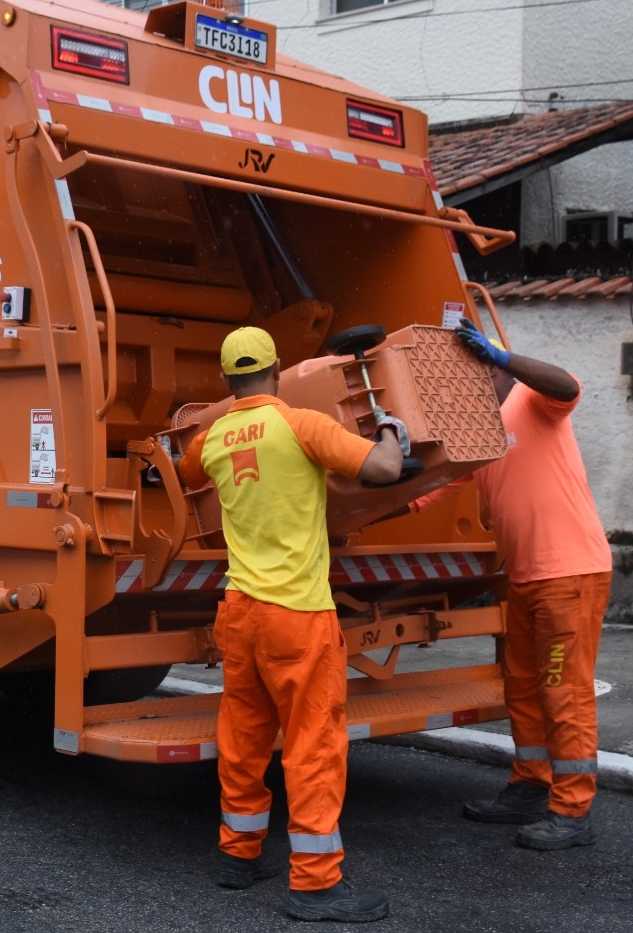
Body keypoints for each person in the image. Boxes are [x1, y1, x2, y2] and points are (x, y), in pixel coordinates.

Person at [177, 326, 402, 923]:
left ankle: (238, 855)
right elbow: (382, 470)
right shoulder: (303, 425)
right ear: (278, 370)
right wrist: (389, 428)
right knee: (312, 747)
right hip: (297, 615)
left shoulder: (213, 438)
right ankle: (315, 884)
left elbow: (182, 471)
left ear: (227, 380)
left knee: (244, 737)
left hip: (239, 611)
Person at [431, 317, 613, 850]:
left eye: (474, 371)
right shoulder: (482, 432)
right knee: (525, 687)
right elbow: (429, 486)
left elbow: (568, 386)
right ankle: (531, 787)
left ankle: (572, 809)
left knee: (564, 691)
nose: (467, 383)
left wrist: (504, 358)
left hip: (569, 572)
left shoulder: (534, 401)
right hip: (525, 577)